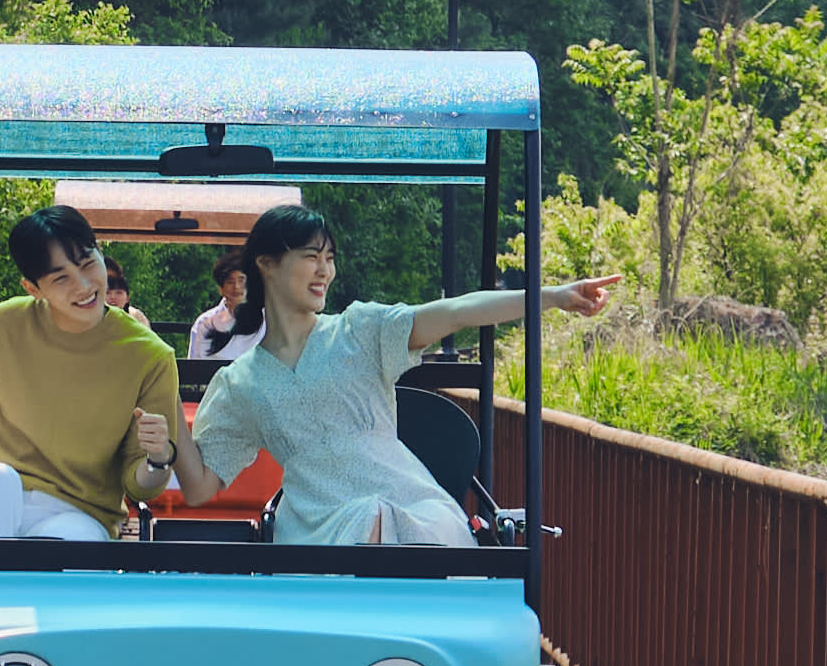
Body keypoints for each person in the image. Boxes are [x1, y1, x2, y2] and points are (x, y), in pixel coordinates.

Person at [172, 202, 610, 546]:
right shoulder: (239, 383)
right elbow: (199, 488)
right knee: (368, 522)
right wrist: (166, 404)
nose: (325, 270)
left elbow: (455, 312)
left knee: (391, 521)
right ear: (266, 264)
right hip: (315, 527)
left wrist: (552, 296)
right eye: (311, 256)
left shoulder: (359, 330)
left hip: (406, 502)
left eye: (330, 257)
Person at [0, 205, 183, 541]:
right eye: (61, 277)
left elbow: (140, 486)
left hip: (79, 510)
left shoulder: (150, 356)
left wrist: (159, 458)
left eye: (87, 263)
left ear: (99, 254)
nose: (83, 286)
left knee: (73, 546)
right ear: (33, 288)